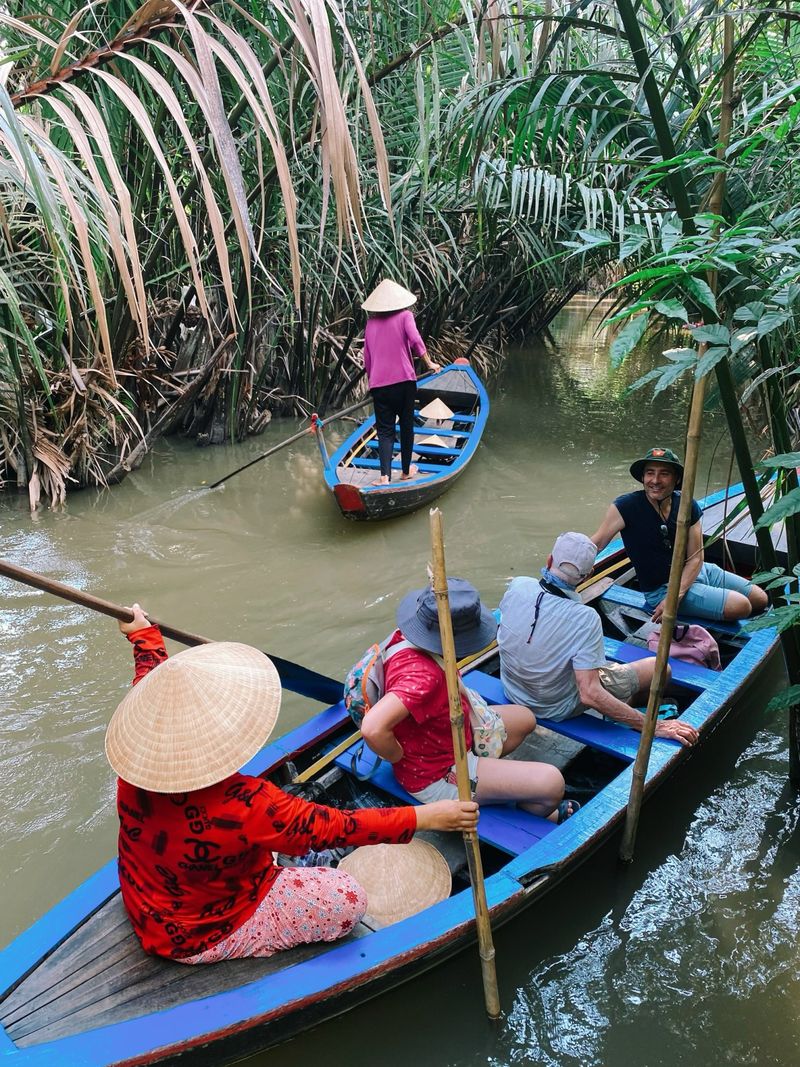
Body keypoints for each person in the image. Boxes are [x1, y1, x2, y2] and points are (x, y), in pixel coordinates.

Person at [107, 605, 478, 963]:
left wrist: (146, 640)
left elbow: (152, 697)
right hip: (205, 932)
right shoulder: (248, 804)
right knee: (347, 898)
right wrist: (425, 817)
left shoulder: (136, 766)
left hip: (147, 900)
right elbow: (338, 827)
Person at [359, 579, 578, 822]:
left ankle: (500, 783)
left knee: (525, 718)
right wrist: (397, 756)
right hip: (437, 772)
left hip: (447, 736)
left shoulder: (404, 636)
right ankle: (525, 808)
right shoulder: (423, 679)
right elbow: (373, 729)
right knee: (552, 784)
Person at [497, 532, 698, 746]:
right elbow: (589, 693)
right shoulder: (585, 618)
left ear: (549, 561)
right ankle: (627, 711)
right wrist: (654, 727)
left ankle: (619, 708)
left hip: (513, 690)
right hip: (554, 707)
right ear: (588, 576)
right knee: (660, 669)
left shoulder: (518, 585)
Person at [591, 447, 768, 623]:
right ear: (643, 477)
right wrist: (578, 567)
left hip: (698, 572)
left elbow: (696, 558)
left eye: (664, 474)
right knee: (742, 606)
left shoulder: (686, 504)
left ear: (676, 479)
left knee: (760, 599)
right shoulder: (626, 506)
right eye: (650, 473)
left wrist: (676, 597)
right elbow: (596, 544)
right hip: (662, 589)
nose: (655, 480)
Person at [362, 278, 441, 485]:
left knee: (385, 431)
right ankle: (405, 471)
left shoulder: (370, 324)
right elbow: (415, 340)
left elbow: (367, 358)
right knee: (406, 426)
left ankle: (384, 477)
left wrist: (373, 382)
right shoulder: (406, 316)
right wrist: (429, 363)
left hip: (379, 386)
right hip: (404, 382)